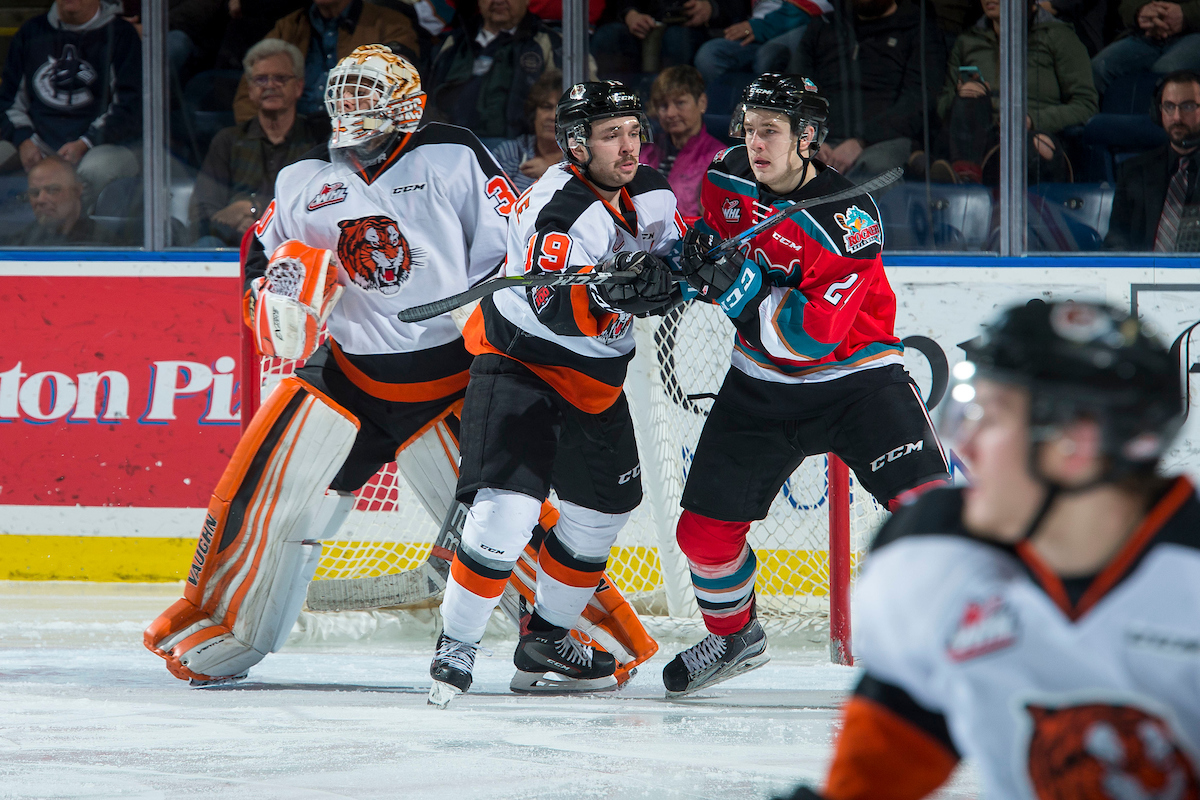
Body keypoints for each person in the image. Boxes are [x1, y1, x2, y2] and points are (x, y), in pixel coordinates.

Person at [144, 48, 654, 690]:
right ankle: (219, 623)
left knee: (507, 518)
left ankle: (573, 639)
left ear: (405, 103)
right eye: (345, 94)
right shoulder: (303, 179)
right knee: (262, 495)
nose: (352, 107)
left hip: (457, 375)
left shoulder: (451, 153)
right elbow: (262, 258)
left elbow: (513, 245)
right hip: (348, 377)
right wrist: (272, 296)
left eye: (367, 94)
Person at [778, 299, 1195, 800]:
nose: (966, 445)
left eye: (990, 418)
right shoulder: (933, 553)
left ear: (1078, 444)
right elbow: (892, 748)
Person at [662, 74, 951, 697]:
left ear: (808, 138)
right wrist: (672, 274)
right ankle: (735, 636)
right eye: (749, 128)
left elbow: (809, 337)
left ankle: (966, 645)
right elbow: (705, 249)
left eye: (770, 131)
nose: (754, 142)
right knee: (702, 535)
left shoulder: (848, 217)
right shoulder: (726, 178)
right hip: (761, 386)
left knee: (933, 511)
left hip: (858, 381)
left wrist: (732, 287)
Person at [429, 80, 684, 705]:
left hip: (596, 381)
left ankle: (545, 639)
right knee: (506, 513)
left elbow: (672, 262)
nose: (628, 147)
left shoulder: (652, 190)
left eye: (633, 132)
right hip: (521, 366)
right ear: (576, 144)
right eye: (610, 135)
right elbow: (554, 309)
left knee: (602, 513)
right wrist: (612, 293)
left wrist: (693, 267)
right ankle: (456, 645)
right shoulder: (558, 210)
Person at [930, 0, 1097, 184]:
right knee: (968, 100)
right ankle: (965, 180)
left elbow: (1086, 105)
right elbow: (942, 105)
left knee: (1037, 146)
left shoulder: (1059, 36)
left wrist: (1032, 119)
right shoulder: (967, 41)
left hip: (1034, 134)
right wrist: (961, 93)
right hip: (977, 139)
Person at [0, 0, 141, 209]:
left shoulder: (121, 34)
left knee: (95, 169)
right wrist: (24, 140)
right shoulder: (31, 31)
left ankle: (73, 229)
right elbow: (8, 101)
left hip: (99, 145)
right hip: (37, 142)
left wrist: (86, 143)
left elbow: (130, 109)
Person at [191, 39, 328, 247]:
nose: (270, 86)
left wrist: (253, 208)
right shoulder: (228, 141)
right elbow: (201, 211)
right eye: (261, 79)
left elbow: (325, 205)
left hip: (300, 247)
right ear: (250, 89)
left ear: (299, 86)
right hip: (233, 246)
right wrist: (239, 226)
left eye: (280, 78)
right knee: (205, 245)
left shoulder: (318, 141)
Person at [798, 0, 947, 180]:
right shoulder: (824, 26)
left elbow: (918, 102)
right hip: (821, 138)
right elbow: (800, 87)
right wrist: (813, 136)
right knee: (789, 162)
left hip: (885, 140)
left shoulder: (919, 30)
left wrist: (862, 141)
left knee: (873, 170)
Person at [231, 0, 419, 123]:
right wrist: (268, 138)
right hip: (293, 140)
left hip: (355, 135)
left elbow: (400, 86)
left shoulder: (390, 24)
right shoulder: (288, 27)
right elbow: (248, 94)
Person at [427, 0, 589, 140]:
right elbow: (428, 102)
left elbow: (581, 107)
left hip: (522, 154)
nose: (498, 1)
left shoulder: (553, 45)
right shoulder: (452, 43)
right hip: (453, 147)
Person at [1105, 70, 1200, 250]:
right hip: (1145, 268)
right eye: (1169, 106)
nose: (1177, 117)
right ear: (1158, 111)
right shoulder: (1133, 171)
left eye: (1187, 106)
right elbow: (1116, 242)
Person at [639, 66, 726, 217]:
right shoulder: (644, 150)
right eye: (663, 105)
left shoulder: (719, 158)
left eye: (680, 103)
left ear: (702, 102)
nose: (670, 113)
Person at [693, 0, 827, 87]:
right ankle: (730, 114)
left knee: (768, 56)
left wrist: (762, 27)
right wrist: (712, 8)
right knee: (710, 55)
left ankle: (768, 113)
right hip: (753, 29)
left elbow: (814, 6)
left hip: (797, 28)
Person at [590, 0, 739, 75]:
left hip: (695, 27)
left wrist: (711, 7)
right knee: (608, 37)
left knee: (676, 39)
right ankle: (612, 109)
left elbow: (739, 7)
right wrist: (629, 13)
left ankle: (672, 106)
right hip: (638, 22)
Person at [1092, 0, 1200, 95]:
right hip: (1148, 34)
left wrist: (1187, 13)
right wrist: (1141, 10)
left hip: (1194, 32)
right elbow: (1126, 4)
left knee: (1164, 72)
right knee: (1098, 68)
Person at [4, 155, 112, 246]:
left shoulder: (104, 244)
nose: (40, 200)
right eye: (34, 193)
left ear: (77, 191)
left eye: (52, 190)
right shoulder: (21, 242)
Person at [491, 69, 564, 193]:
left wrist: (550, 175)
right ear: (533, 113)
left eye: (561, 110)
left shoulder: (582, 158)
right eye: (546, 107)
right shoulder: (509, 153)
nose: (553, 116)